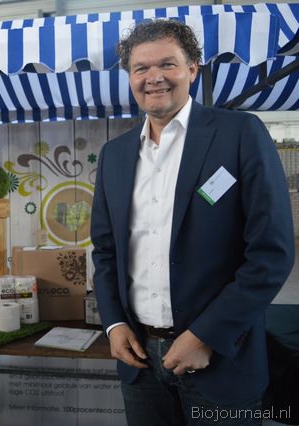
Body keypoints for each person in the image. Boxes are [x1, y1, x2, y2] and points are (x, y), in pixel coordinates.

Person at [90, 19, 294, 426]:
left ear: (192, 69)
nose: (154, 77)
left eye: (167, 64)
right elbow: (106, 252)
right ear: (130, 77)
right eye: (141, 68)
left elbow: (271, 253)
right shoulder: (114, 154)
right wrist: (113, 323)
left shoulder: (239, 134)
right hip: (140, 362)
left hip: (221, 359)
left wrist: (206, 336)